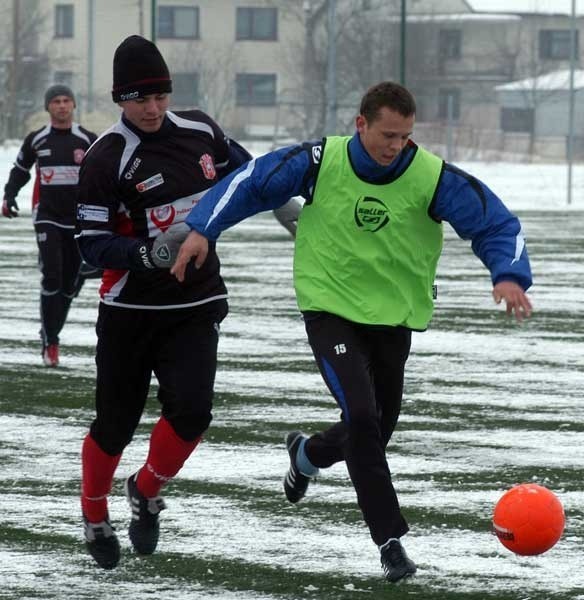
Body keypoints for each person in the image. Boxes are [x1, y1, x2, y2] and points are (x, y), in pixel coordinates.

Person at [168, 81, 533, 584]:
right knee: (361, 417)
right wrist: (203, 228)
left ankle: (307, 454)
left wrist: (508, 273)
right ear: (360, 124)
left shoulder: (430, 176)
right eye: (387, 134)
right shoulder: (319, 162)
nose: (396, 146)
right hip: (330, 310)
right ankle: (391, 542)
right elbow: (250, 183)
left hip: (392, 318)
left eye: (405, 136)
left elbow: (493, 222)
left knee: (375, 429)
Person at [74, 34, 295, 571]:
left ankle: (146, 490)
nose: (152, 109)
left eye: (160, 97)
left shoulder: (200, 130)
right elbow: (90, 243)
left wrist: (289, 209)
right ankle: (93, 512)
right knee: (114, 425)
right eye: (139, 99)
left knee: (193, 413)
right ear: (118, 99)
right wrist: (147, 253)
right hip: (130, 312)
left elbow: (249, 178)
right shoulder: (106, 158)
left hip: (196, 304)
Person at [2, 85, 98, 367]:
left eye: (67, 100)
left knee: (70, 281)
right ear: (48, 107)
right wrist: (9, 195)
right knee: (53, 276)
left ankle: (50, 330)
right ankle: (51, 343)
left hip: (78, 219)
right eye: (56, 101)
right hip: (48, 216)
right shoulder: (37, 139)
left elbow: (102, 174)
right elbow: (20, 170)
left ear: (74, 105)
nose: (62, 105)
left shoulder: (87, 139)